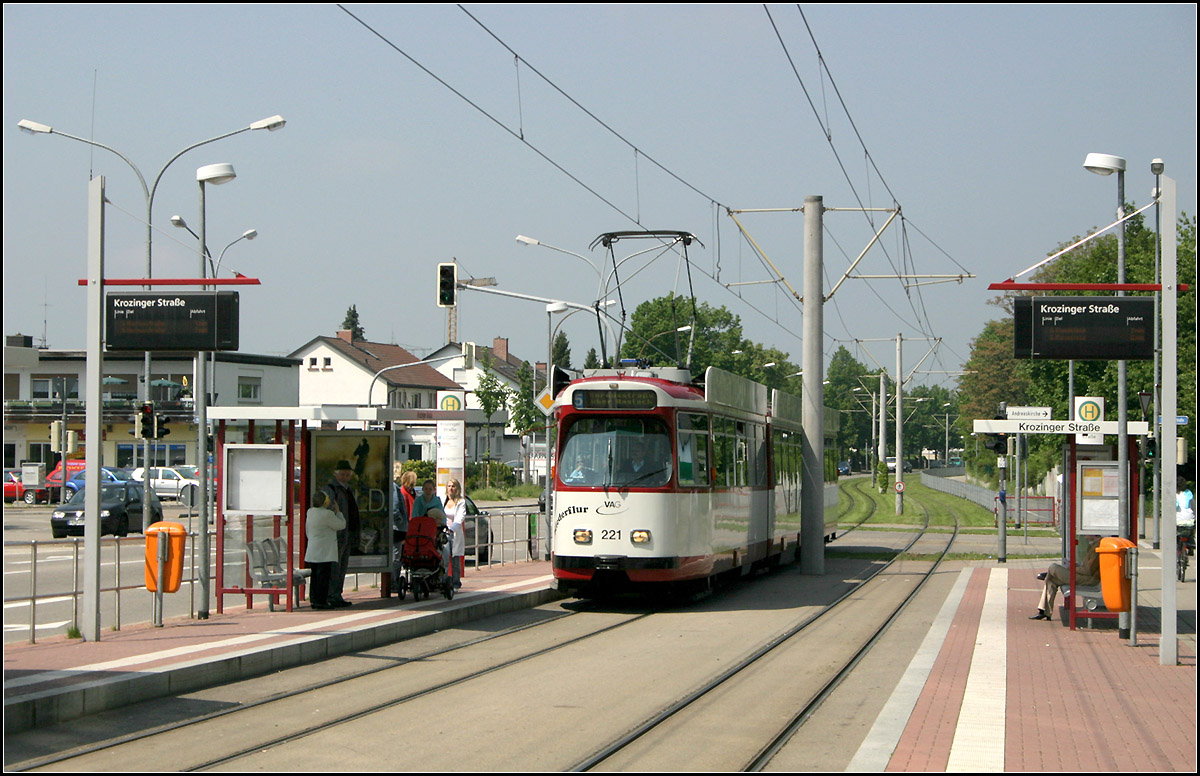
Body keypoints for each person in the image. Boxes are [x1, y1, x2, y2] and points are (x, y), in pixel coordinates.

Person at [1029, 534, 1102, 620]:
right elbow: (1085, 567)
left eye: (1086, 534)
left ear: (1093, 534)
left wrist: (1072, 569)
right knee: (1051, 580)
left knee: (1053, 567)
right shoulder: (1093, 546)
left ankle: (1048, 575)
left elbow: (1088, 571)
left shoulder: (1097, 548)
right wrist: (1075, 566)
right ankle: (1044, 611)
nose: (1085, 536)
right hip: (1083, 576)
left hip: (1089, 580)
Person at [322, 459, 360, 608]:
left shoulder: (347, 488)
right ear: (336, 474)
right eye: (343, 474)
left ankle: (337, 594)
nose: (346, 477)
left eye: (348, 475)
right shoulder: (331, 488)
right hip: (337, 533)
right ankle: (331, 595)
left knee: (342, 566)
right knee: (335, 566)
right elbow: (329, 509)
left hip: (348, 532)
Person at [305, 491, 346, 610]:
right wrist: (338, 512)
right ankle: (321, 601)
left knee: (315, 577)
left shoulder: (310, 512)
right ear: (326, 502)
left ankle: (314, 599)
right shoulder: (328, 514)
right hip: (325, 552)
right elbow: (341, 525)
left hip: (313, 550)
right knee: (323, 577)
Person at [390, 464, 415, 586]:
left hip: (397, 527)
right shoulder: (395, 488)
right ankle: (393, 582)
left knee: (396, 555)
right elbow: (395, 509)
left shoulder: (396, 488)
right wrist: (403, 524)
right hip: (397, 528)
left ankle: (393, 581)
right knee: (396, 556)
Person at [443, 478, 467, 589]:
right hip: (444, 533)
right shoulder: (443, 500)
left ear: (457, 488)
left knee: (455, 559)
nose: (450, 488)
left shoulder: (461, 502)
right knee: (444, 558)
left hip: (455, 533)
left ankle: (456, 582)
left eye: (453, 486)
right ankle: (444, 581)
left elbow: (460, 517)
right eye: (449, 486)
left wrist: (452, 529)